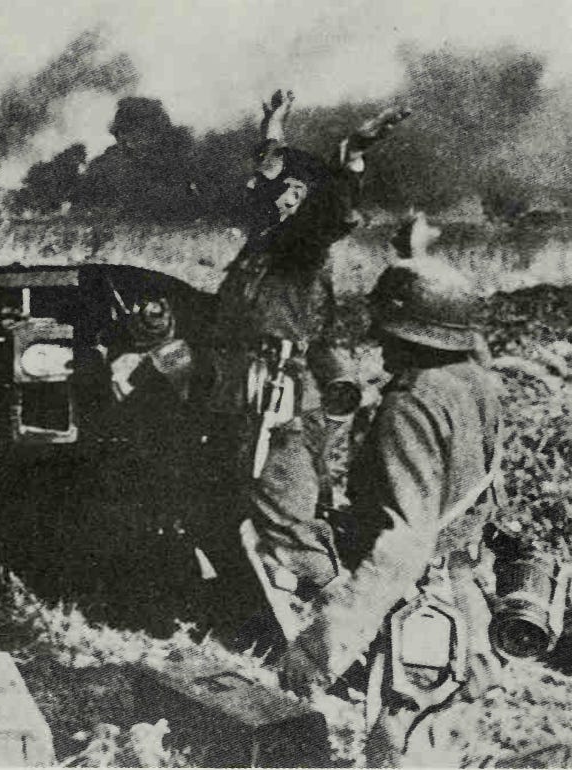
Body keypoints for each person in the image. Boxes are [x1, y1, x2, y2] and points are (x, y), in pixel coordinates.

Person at [195, 90, 410, 641]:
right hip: (255, 398)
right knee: (267, 511)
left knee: (288, 517)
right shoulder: (263, 250)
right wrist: (273, 125)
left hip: (279, 403)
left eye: (277, 189)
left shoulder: (300, 247)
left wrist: (351, 157)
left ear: (297, 204)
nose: (259, 189)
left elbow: (332, 213)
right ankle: (276, 617)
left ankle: (348, 637)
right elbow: (271, 170)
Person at [280, 258, 504, 766]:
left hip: (422, 607)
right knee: (443, 736)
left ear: (411, 333)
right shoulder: (478, 384)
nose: (380, 344)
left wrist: (319, 648)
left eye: (387, 331)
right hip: (465, 588)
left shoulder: (413, 404)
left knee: (402, 747)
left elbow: (405, 542)